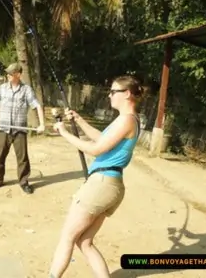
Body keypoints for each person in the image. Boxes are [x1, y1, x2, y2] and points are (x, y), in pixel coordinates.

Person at [47, 75, 143, 278]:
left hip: (101, 185)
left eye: (113, 91)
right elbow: (102, 139)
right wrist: (79, 120)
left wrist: (64, 133)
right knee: (84, 242)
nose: (110, 95)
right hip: (111, 186)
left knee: (67, 237)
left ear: (126, 94)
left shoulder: (126, 120)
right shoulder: (127, 120)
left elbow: (96, 149)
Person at [0, 62, 45, 194]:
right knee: (0, 156)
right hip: (3, 129)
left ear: (18, 74)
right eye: (7, 73)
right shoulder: (2, 89)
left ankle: (23, 182)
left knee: (22, 158)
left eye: (11, 73)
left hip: (19, 131)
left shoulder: (26, 90)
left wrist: (42, 125)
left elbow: (37, 106)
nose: (8, 75)